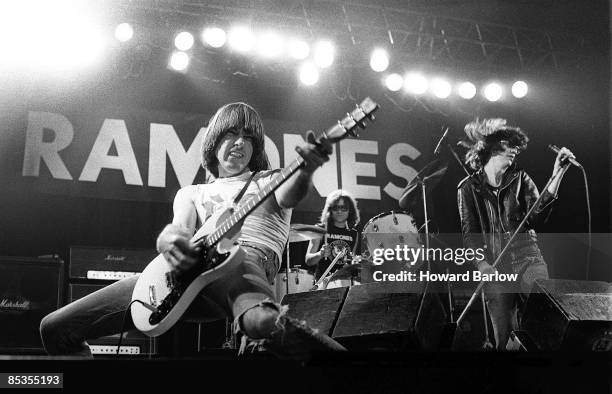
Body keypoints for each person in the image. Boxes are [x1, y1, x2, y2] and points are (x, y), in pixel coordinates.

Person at [39, 102, 346, 358]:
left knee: (262, 322)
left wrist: (307, 168)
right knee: (55, 329)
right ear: (214, 140)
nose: (240, 142)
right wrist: (170, 243)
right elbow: (176, 230)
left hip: (243, 263)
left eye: (248, 137)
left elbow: (290, 194)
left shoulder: (270, 179)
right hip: (187, 281)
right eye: (231, 133)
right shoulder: (191, 192)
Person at [457, 118, 575, 350]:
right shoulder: (468, 188)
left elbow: (538, 215)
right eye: (507, 144)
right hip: (495, 266)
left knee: (544, 314)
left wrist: (557, 174)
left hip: (527, 257)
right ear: (489, 147)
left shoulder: (520, 178)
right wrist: (481, 264)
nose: (514, 150)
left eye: (516, 147)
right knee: (503, 338)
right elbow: (470, 234)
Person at [305, 190, 361, 287]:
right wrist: (320, 254)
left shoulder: (354, 234)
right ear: (330, 209)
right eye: (336, 208)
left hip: (345, 283)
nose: (339, 211)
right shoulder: (320, 229)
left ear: (350, 210)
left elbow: (351, 260)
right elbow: (308, 260)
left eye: (343, 208)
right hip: (323, 283)